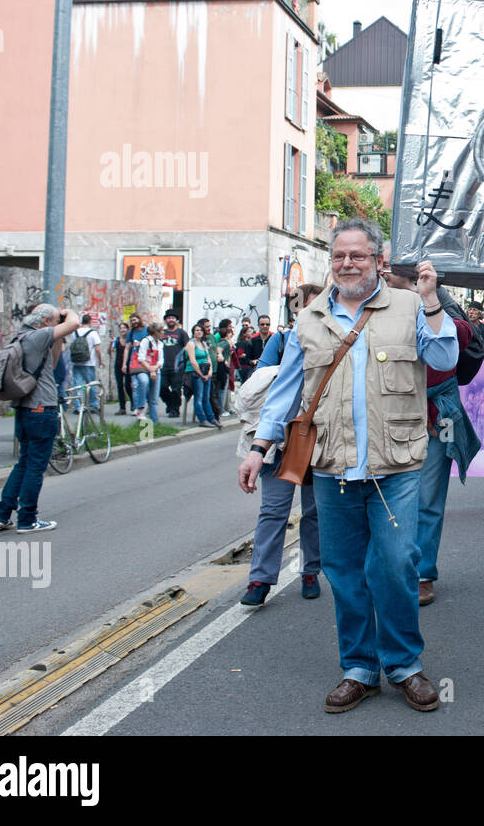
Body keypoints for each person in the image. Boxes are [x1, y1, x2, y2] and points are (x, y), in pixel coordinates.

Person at [237, 217, 457, 715]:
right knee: (342, 570)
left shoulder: (408, 305)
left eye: (358, 256)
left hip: (395, 467)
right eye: (339, 256)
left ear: (378, 260)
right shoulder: (311, 318)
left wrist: (430, 299)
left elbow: (445, 356)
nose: (347, 264)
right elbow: (286, 388)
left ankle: (403, 664)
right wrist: (259, 448)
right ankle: (359, 668)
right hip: (333, 467)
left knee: (398, 564)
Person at [383, 258, 480, 609]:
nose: (382, 271)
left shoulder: (435, 296)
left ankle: (423, 573)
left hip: (437, 417)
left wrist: (426, 299)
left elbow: (467, 335)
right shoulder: (372, 304)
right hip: (389, 417)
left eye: (388, 267)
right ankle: (392, 568)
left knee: (428, 500)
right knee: (386, 500)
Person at [238, 284, 325, 606]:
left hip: (315, 437)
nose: (310, 314)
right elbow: (265, 386)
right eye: (305, 308)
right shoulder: (282, 340)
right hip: (278, 439)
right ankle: (259, 579)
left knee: (314, 512)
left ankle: (310, 570)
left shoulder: (334, 339)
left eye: (318, 308)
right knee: (273, 511)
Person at [0, 304, 79, 533]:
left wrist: (57, 329)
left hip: (24, 409)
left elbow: (53, 359)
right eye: (54, 320)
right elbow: (75, 323)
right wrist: (66, 313)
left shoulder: (21, 336)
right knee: (36, 467)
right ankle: (28, 519)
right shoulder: (38, 336)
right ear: (47, 322)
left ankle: (2, 513)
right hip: (42, 409)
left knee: (24, 463)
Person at [184, 323, 220, 428]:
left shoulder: (204, 344)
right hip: (195, 373)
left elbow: (208, 358)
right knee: (198, 397)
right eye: (197, 330)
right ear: (193, 332)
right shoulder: (191, 344)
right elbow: (193, 361)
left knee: (206, 397)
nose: (199, 332)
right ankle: (202, 419)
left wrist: (209, 372)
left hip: (206, 371)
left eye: (200, 330)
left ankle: (211, 418)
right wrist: (201, 374)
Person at [67, 313, 102, 412]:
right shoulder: (93, 333)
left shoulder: (75, 333)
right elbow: (97, 349)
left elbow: (72, 346)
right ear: (90, 321)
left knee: (78, 385)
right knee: (90, 384)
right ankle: (93, 405)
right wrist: (100, 360)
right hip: (89, 363)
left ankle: (78, 407)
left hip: (77, 362)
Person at [131, 321, 165, 424]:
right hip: (143, 369)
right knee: (144, 381)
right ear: (156, 332)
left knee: (154, 398)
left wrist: (155, 369)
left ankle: (154, 422)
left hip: (155, 370)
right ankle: (140, 406)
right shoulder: (146, 341)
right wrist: (151, 369)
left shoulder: (160, 344)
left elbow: (161, 360)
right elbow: (141, 359)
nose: (163, 332)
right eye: (161, 330)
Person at [159, 311, 188, 418]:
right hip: (163, 366)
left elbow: (187, 348)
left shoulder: (182, 333)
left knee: (176, 389)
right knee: (161, 387)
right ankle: (170, 403)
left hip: (177, 367)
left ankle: (175, 409)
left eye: (173, 318)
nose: (171, 320)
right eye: (168, 318)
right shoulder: (161, 333)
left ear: (176, 320)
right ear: (165, 320)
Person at [112, 322, 132, 414]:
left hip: (129, 365)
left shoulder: (130, 340)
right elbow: (110, 351)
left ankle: (133, 403)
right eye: (121, 328)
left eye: (124, 328)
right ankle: (122, 408)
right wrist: (111, 344)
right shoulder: (116, 340)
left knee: (128, 386)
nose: (122, 330)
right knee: (120, 386)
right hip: (118, 365)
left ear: (128, 329)